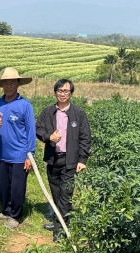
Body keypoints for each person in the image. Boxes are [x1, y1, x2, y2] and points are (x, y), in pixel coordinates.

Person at [36, 79, 91, 242]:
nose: (62, 94)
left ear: (71, 93)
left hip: (70, 160)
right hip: (53, 159)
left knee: (66, 196)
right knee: (56, 193)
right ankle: (59, 222)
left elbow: (85, 137)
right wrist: (48, 137)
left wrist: (82, 159)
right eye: (60, 91)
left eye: (66, 91)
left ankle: (60, 231)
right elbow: (39, 129)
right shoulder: (47, 112)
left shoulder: (78, 113)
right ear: (55, 92)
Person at [0, 67, 36, 229]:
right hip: (2, 154)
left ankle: (15, 216)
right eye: (5, 83)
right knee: (3, 185)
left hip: (19, 155)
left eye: (11, 83)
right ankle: (5, 210)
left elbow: (31, 131)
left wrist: (29, 155)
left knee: (17, 187)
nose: (8, 86)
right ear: (2, 85)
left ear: (17, 84)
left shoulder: (25, 105)